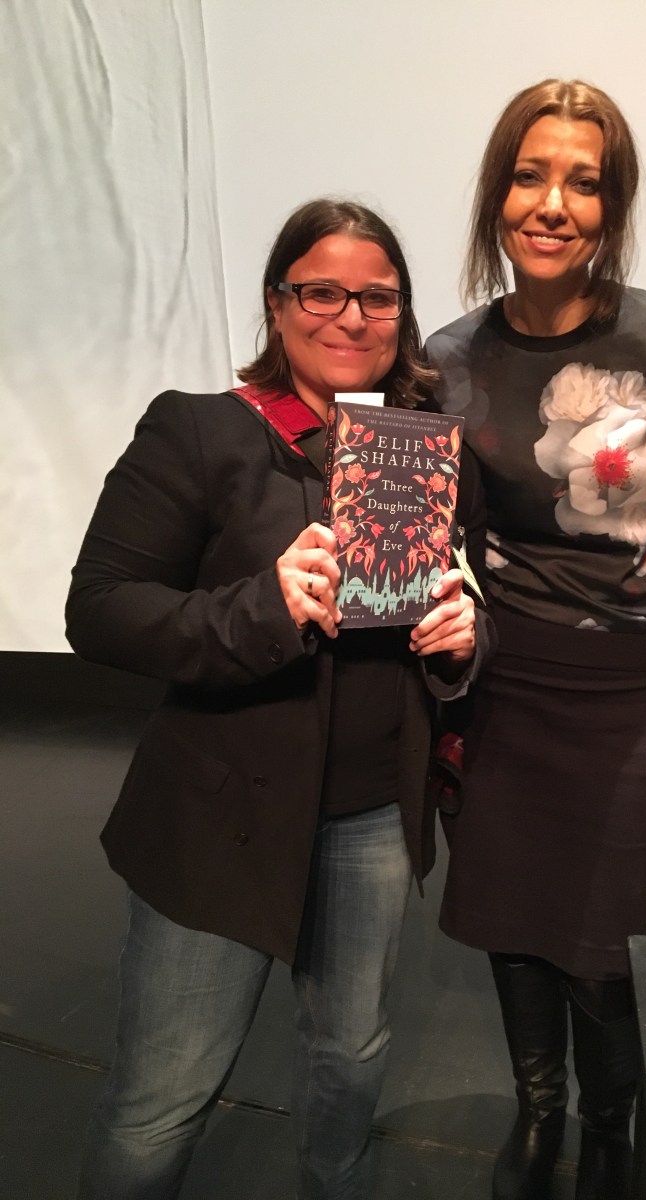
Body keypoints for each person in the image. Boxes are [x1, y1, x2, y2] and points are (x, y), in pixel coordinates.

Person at [66, 198, 488, 1200]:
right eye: (322, 292)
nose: (351, 316)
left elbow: (463, 597)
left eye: (377, 297)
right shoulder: (203, 430)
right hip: (222, 818)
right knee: (163, 1101)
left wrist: (463, 637)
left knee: (351, 1061)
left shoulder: (427, 452)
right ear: (277, 302)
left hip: (372, 815)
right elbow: (101, 610)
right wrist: (263, 605)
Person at [426, 80, 646, 1200]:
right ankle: (539, 1111)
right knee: (511, 918)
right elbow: (441, 534)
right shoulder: (447, 358)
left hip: (633, 695)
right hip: (504, 687)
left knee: (601, 940)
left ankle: (609, 1130)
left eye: (583, 182)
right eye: (529, 175)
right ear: (497, 194)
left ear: (612, 206)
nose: (552, 203)